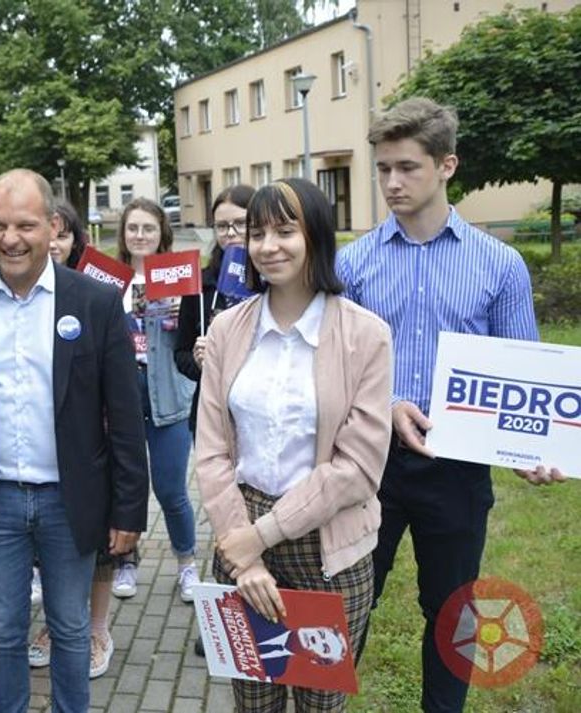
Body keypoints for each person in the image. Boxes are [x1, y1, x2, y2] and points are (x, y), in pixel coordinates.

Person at [336, 97, 564, 712]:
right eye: (382, 168)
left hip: (458, 469)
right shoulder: (352, 264)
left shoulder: (500, 265)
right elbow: (332, 370)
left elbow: (525, 374)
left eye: (407, 167)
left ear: (447, 166)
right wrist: (384, 405)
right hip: (366, 464)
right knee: (348, 602)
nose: (391, 182)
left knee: (452, 610)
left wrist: (535, 449)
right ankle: (318, 703)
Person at [0, 169, 148, 712]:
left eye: (25, 225)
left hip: (69, 499)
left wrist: (129, 509)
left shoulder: (95, 303)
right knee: (3, 631)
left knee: (72, 628)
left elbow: (124, 416)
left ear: (52, 226)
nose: (11, 238)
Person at [196, 177, 393, 712]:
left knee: (320, 703)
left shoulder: (366, 335)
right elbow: (212, 452)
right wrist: (247, 554)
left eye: (285, 231)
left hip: (327, 546)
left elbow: (358, 468)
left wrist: (260, 536)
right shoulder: (225, 331)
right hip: (240, 529)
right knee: (253, 701)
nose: (267, 246)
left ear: (317, 237)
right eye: (257, 233)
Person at [27, 200, 116, 679]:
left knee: (99, 544)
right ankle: (58, 625)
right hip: (42, 456)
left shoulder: (97, 293)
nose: (54, 245)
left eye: (62, 236)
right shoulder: (20, 294)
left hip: (93, 446)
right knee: (50, 547)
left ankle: (96, 629)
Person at [112, 197, 200, 602]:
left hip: (168, 396)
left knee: (170, 489)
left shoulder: (181, 277)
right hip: (121, 400)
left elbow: (197, 338)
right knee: (123, 489)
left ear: (162, 232)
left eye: (148, 228)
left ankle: (186, 563)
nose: (141, 235)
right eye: (133, 228)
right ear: (124, 234)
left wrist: (187, 313)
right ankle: (125, 562)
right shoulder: (109, 280)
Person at [175, 184, 255, 431]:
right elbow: (181, 354)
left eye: (241, 223)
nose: (230, 233)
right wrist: (201, 365)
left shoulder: (274, 281)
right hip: (212, 417)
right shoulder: (200, 285)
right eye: (221, 226)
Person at [244, 607, 349, 680]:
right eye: (321, 634)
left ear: (316, 661)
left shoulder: (278, 669)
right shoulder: (265, 619)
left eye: (325, 648)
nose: (315, 639)